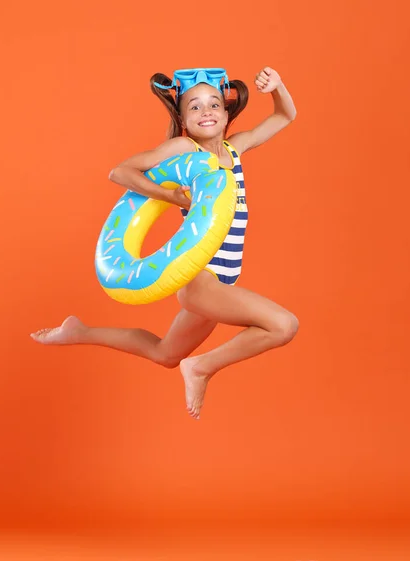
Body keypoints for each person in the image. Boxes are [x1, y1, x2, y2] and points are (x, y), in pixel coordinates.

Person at [31, 66, 299, 420]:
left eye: (214, 104)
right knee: (284, 325)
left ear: (226, 112)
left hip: (223, 279)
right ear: (184, 119)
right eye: (195, 107)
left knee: (165, 354)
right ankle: (202, 368)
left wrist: (277, 86)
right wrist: (171, 196)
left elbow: (285, 115)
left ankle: (79, 331)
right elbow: (121, 172)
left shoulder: (236, 149)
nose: (207, 112)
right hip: (201, 281)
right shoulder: (183, 148)